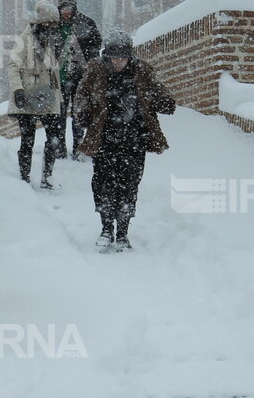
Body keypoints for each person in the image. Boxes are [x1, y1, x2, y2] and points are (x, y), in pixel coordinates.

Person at [74, 29, 177, 251]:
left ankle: (122, 231)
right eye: (114, 57)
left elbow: (161, 95)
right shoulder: (95, 71)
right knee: (102, 183)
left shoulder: (141, 71)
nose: (118, 61)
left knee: (129, 185)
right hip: (104, 139)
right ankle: (105, 228)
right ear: (106, 56)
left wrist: (161, 101)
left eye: (122, 56)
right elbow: (81, 96)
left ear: (130, 55)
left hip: (134, 139)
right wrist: (83, 112)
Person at [7, 0, 70, 189]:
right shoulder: (24, 40)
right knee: (28, 139)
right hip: (27, 94)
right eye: (50, 23)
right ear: (42, 23)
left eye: (55, 24)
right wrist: (18, 90)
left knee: (53, 137)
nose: (53, 27)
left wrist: (59, 92)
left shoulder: (54, 40)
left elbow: (55, 70)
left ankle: (47, 176)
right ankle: (24, 176)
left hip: (48, 94)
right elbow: (13, 66)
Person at [55, 0, 102, 161]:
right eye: (63, 8)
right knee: (59, 113)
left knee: (79, 113)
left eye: (69, 8)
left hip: (81, 77)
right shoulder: (54, 25)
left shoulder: (87, 23)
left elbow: (95, 47)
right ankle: (59, 146)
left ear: (74, 8)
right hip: (59, 77)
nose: (66, 12)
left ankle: (78, 146)